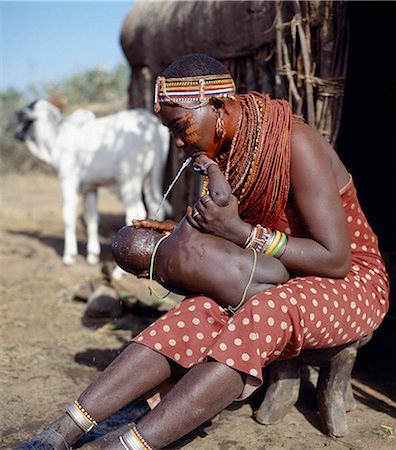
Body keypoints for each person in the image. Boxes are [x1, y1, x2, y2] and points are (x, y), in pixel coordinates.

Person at [20, 53, 389, 450]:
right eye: (171, 132)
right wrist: (186, 230)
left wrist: (242, 232)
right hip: (282, 279)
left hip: (353, 283)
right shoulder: (229, 154)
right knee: (194, 312)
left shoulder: (295, 144)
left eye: (181, 128)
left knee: (265, 314)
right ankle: (60, 432)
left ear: (219, 105)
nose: (178, 144)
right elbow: (239, 238)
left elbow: (336, 259)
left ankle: (124, 446)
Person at [111, 154, 289, 313]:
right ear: (157, 230)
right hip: (273, 272)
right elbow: (221, 196)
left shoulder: (168, 282)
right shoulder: (186, 229)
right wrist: (210, 166)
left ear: (142, 274)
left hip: (248, 306)